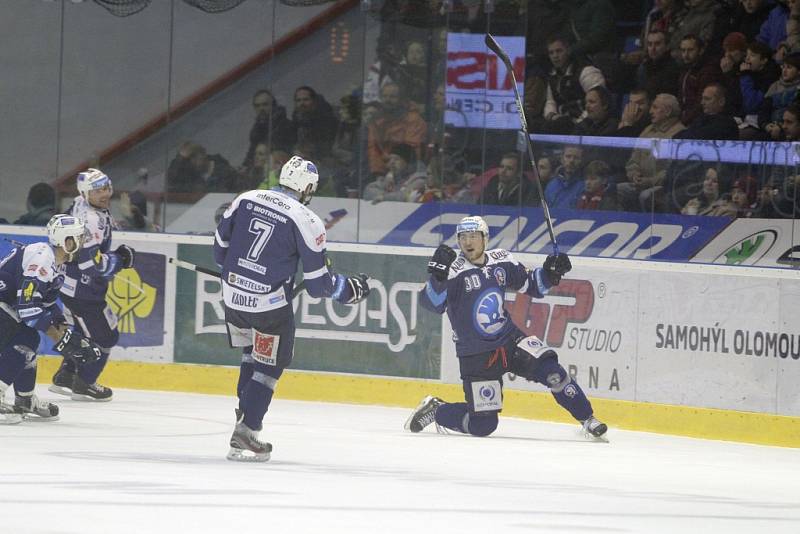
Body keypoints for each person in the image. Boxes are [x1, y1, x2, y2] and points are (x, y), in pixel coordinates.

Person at [214, 156, 371, 462]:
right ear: (308, 187)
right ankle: (248, 429)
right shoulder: (307, 220)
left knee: (251, 353)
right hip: (268, 307)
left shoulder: (246, 199)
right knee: (269, 366)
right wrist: (347, 290)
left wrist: (241, 277)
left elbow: (220, 252)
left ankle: (241, 427)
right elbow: (317, 285)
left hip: (232, 298)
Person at [405, 216, 607, 440]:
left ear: (485, 239)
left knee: (553, 372)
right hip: (476, 356)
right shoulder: (453, 270)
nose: (468, 242)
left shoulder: (501, 260)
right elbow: (431, 304)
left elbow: (533, 285)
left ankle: (588, 420)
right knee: (482, 425)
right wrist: (438, 277)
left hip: (510, 341)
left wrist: (550, 273)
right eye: (463, 237)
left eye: (473, 236)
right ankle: (437, 410)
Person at [0, 214, 103, 424]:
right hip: (4, 309)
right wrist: (63, 341)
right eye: (79, 238)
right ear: (67, 241)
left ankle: (25, 399)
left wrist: (67, 334)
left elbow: (45, 303)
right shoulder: (42, 259)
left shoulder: (53, 261)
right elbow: (28, 308)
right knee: (26, 340)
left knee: (28, 342)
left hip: (6, 308)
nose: (82, 243)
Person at [49, 169, 135, 402]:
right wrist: (119, 260)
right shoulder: (92, 219)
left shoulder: (79, 203)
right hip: (84, 291)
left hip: (69, 285)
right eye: (98, 191)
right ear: (86, 193)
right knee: (106, 337)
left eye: (106, 188)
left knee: (79, 331)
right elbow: (90, 263)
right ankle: (85, 382)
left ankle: (66, 375)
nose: (105, 194)